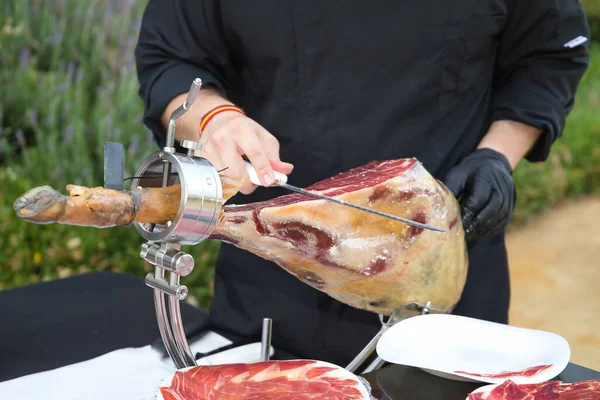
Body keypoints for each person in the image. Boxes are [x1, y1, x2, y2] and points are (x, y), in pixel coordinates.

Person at [134, 1, 590, 367]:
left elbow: (548, 56)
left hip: (444, 286)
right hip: (274, 288)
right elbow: (171, 58)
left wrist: (497, 154)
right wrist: (215, 118)